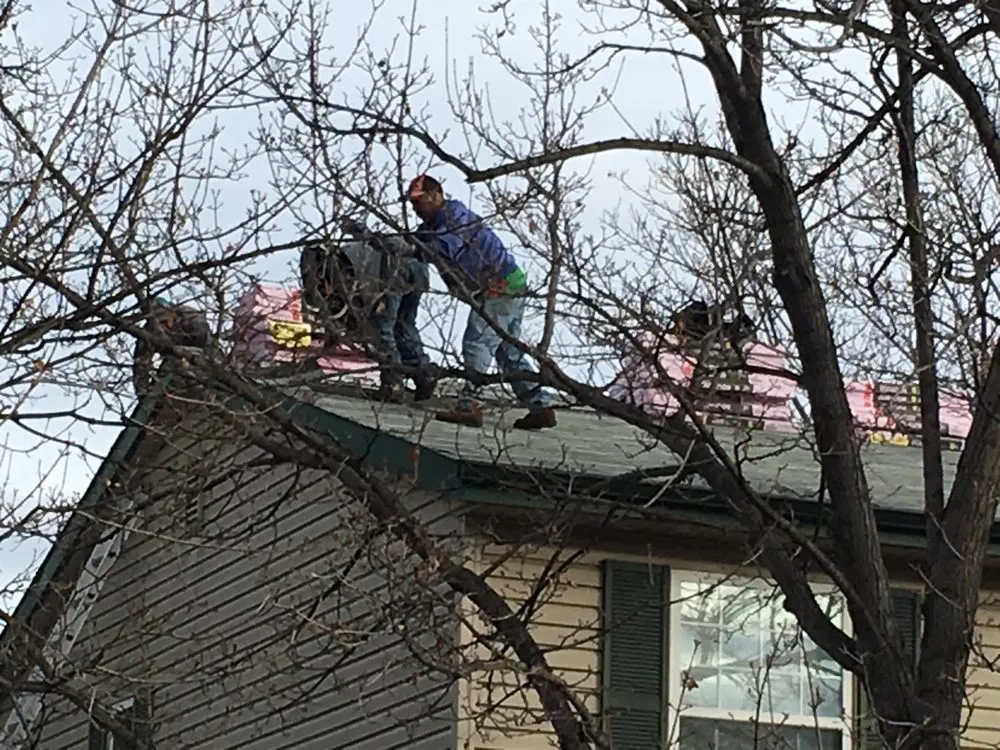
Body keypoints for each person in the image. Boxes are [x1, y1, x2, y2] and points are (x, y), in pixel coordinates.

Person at [406, 173, 556, 430]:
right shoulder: (432, 227)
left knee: (477, 342)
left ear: (437, 195)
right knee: (507, 352)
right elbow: (418, 243)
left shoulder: (454, 217)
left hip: (499, 284)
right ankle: (540, 405)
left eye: (421, 201)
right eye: (413, 203)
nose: (416, 208)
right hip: (508, 282)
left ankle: (470, 405)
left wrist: (411, 246)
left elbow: (443, 247)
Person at [300, 227, 436, 403]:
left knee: (383, 328)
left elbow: (356, 307)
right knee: (404, 324)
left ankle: (392, 383)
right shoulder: (352, 252)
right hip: (418, 266)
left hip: (393, 269)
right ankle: (423, 374)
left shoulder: (341, 267)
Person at [132, 297, 212, 395]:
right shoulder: (149, 332)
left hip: (206, 356)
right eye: (160, 322)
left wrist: (179, 350)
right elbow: (140, 363)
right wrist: (142, 391)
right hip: (174, 365)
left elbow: (202, 339)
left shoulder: (189, 314)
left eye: (166, 319)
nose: (165, 324)